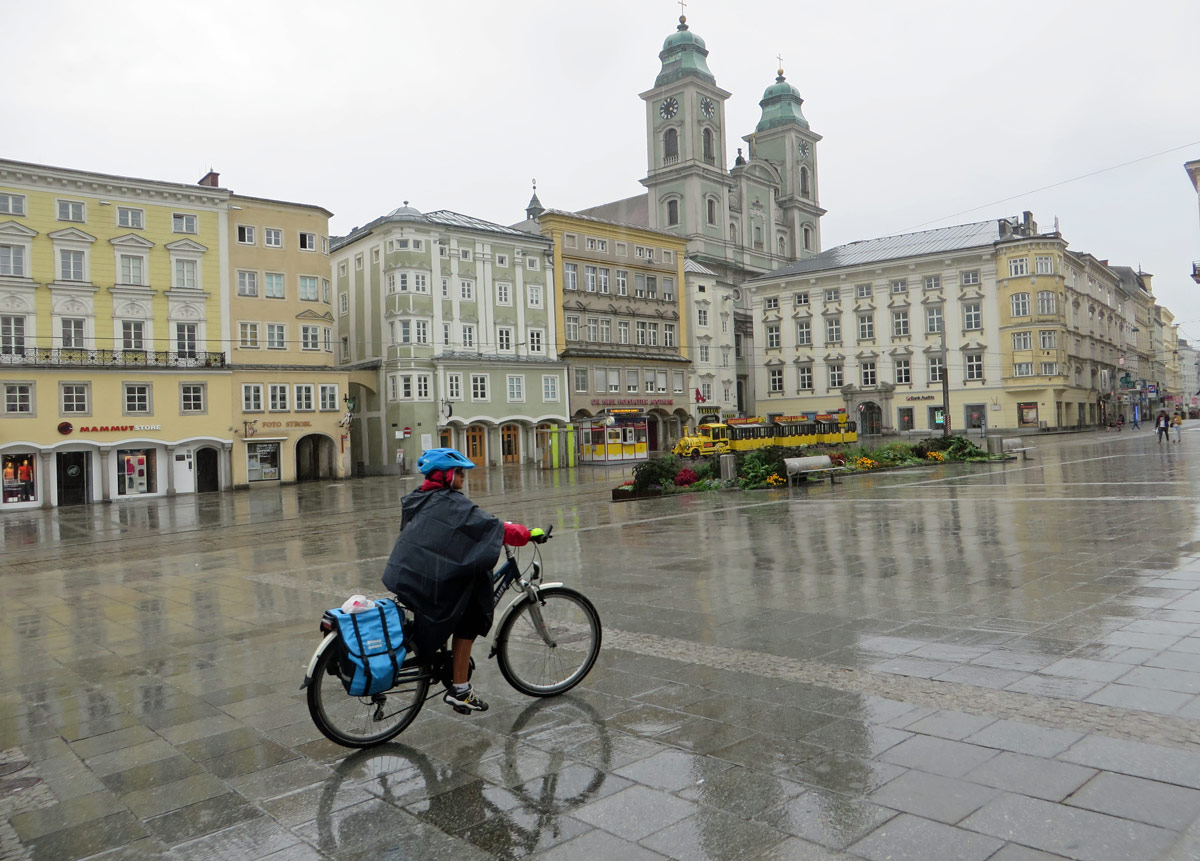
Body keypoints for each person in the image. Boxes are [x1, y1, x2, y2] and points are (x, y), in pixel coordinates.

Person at [381, 448, 544, 714]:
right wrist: (527, 533)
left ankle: (443, 664)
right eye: (459, 472)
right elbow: (493, 528)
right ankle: (460, 689)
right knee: (470, 618)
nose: (463, 478)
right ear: (446, 475)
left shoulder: (421, 497)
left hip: (410, 575)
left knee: (456, 596)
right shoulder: (452, 503)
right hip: (430, 582)